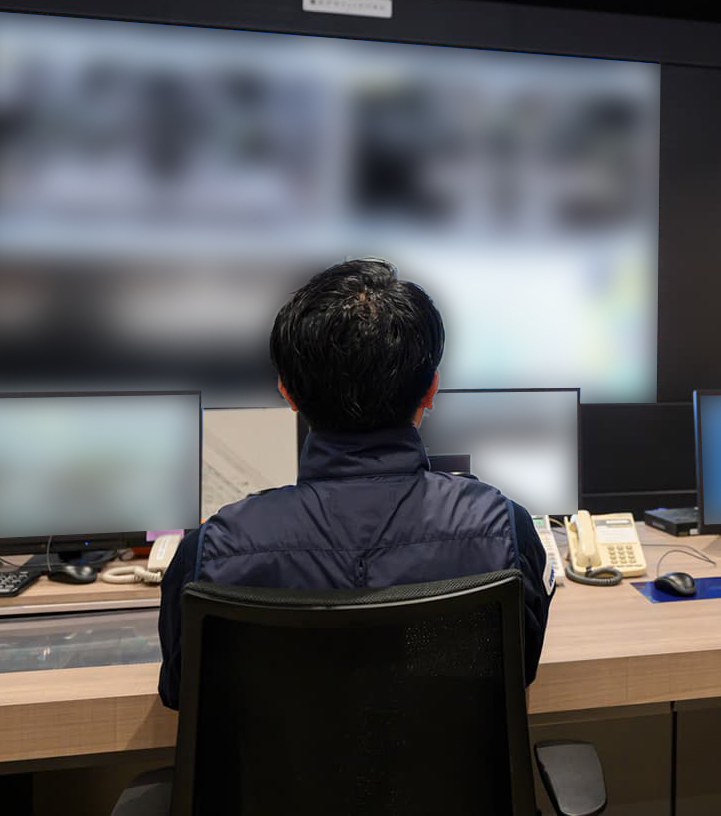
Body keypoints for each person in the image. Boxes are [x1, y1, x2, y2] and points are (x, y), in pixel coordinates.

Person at [156, 259, 556, 710]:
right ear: (431, 390)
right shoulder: (504, 530)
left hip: (285, 782)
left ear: (287, 392)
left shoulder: (210, 553)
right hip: (447, 781)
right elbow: (519, 669)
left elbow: (179, 692)